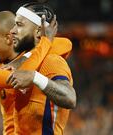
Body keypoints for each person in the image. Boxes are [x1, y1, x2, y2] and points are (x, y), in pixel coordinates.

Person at [6, 3, 76, 135]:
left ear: (38, 31)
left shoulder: (52, 60)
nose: (12, 30)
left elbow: (70, 98)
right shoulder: (23, 60)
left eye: (19, 25)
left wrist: (35, 77)